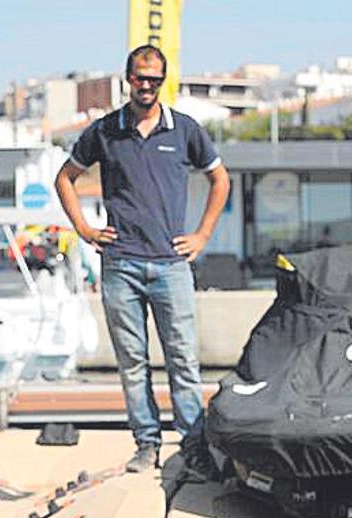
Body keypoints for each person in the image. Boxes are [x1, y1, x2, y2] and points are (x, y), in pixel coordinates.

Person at [55, 45, 230, 473]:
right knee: (133, 365)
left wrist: (203, 234)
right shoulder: (105, 131)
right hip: (120, 265)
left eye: (154, 79)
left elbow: (219, 179)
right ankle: (146, 444)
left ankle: (193, 449)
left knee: (183, 362)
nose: (146, 85)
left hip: (171, 265)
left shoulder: (185, 129)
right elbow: (65, 178)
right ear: (127, 79)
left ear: (163, 81)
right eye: (140, 78)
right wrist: (84, 228)